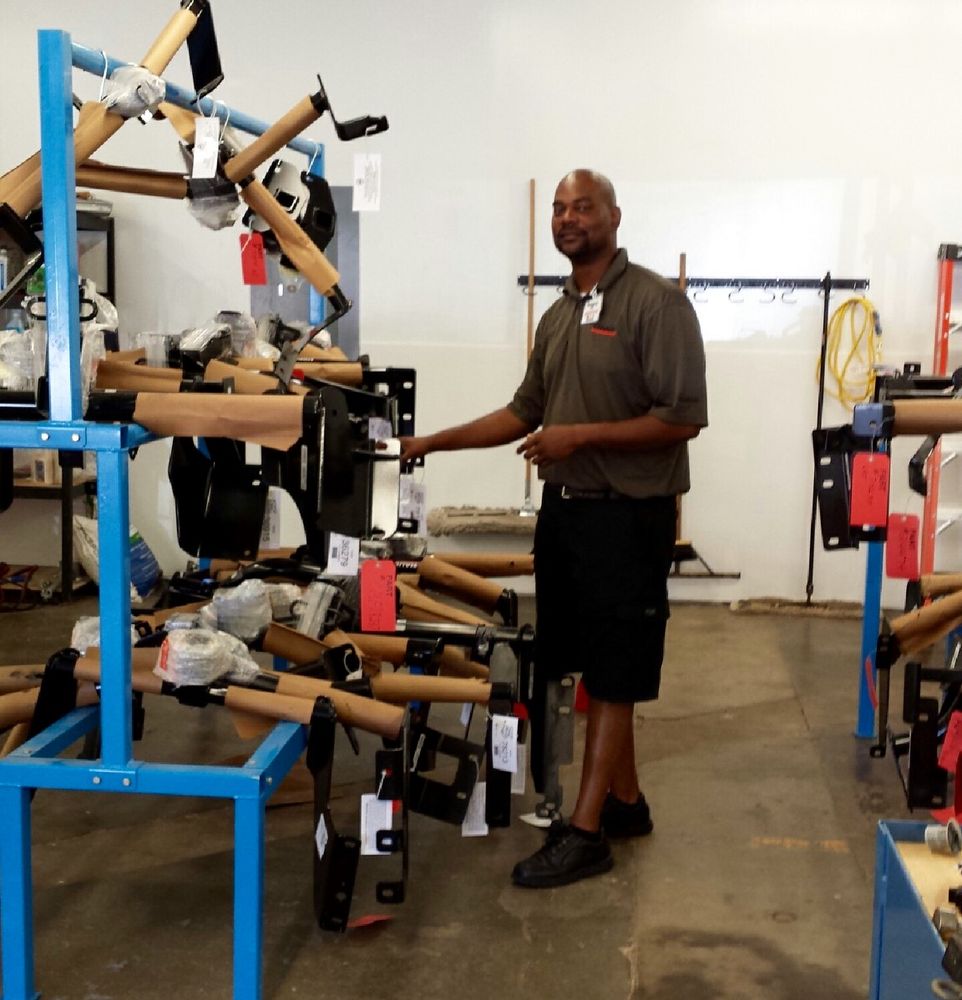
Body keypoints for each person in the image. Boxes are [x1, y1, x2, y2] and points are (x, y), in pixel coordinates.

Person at [399, 169, 708, 888]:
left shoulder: (657, 304)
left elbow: (683, 417)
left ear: (615, 216)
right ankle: (625, 803)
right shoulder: (561, 312)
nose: (568, 218)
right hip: (567, 514)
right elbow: (522, 412)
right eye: (560, 209)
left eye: (583, 207)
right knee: (589, 664)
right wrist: (429, 443)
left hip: (628, 516)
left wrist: (579, 436)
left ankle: (587, 831)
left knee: (616, 671)